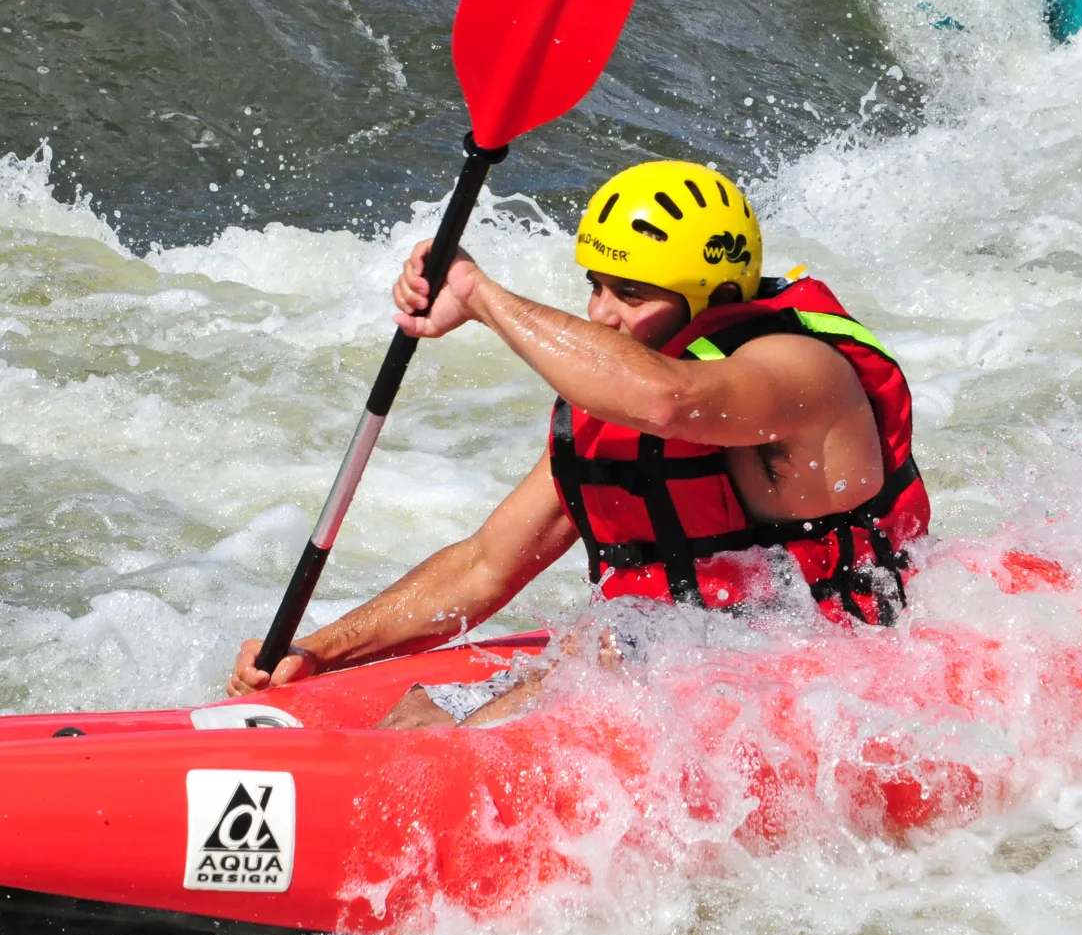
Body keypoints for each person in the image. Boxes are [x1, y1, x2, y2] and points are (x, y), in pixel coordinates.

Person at [227, 160, 929, 727]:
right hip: (673, 651)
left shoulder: (797, 370)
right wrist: (320, 650)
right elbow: (482, 567)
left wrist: (478, 295)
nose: (603, 314)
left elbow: (670, 398)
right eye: (596, 287)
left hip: (825, 661)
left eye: (631, 292)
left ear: (712, 294)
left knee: (593, 656)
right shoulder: (614, 405)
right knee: (425, 710)